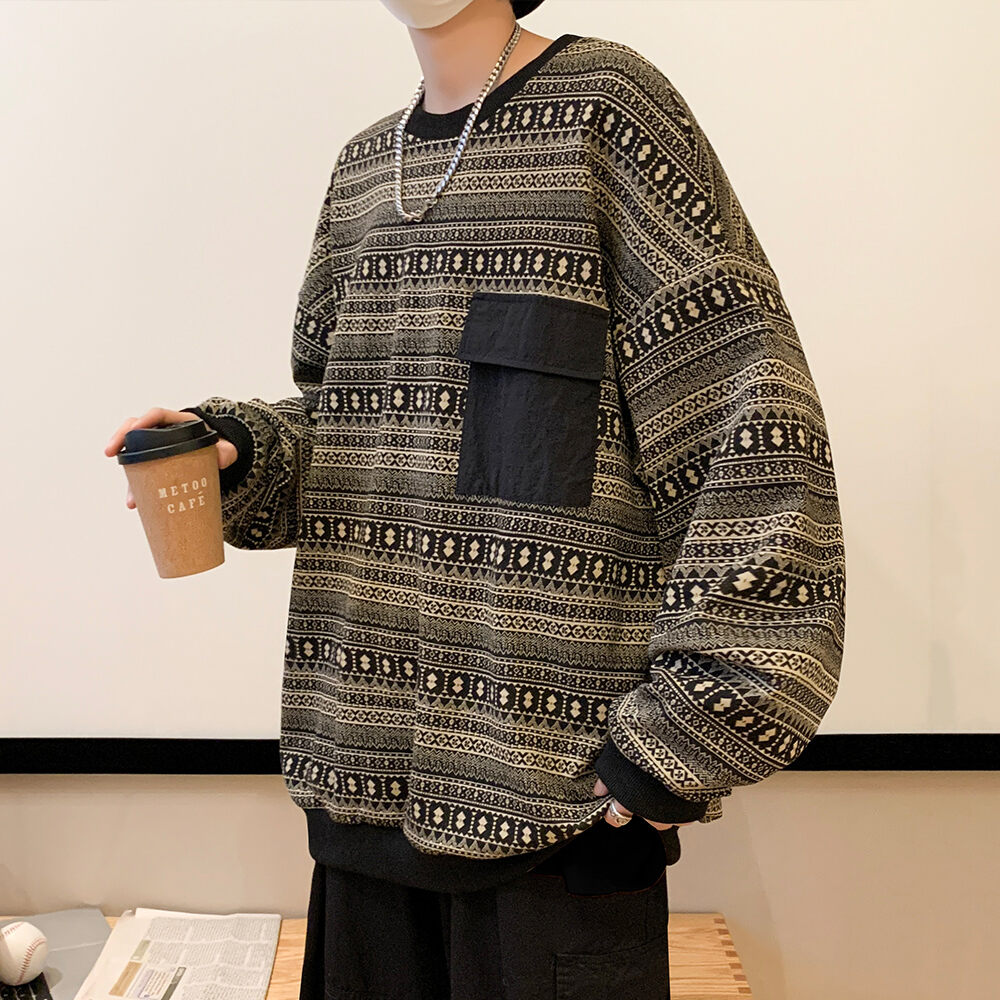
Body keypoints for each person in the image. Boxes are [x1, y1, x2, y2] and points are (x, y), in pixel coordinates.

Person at [104, 1, 846, 997]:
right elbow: (358, 434)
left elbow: (751, 423)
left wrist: (679, 742)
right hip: (358, 807)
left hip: (555, 834)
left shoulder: (609, 113)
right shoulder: (363, 170)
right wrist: (241, 451)